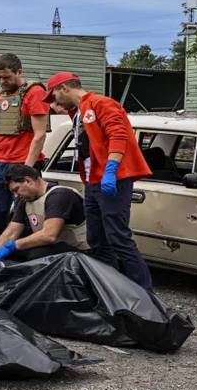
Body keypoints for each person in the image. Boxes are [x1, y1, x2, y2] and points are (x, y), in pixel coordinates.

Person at [43, 72, 154, 290]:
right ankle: (110, 289)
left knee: (118, 237)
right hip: (93, 182)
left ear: (65, 88)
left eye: (54, 94)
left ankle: (144, 292)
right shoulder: (78, 112)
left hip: (112, 181)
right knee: (96, 239)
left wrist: (111, 170)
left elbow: (119, 135)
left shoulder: (101, 103)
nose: (54, 101)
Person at [0, 53, 49, 248]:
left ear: (19, 72)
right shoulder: (1, 95)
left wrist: (27, 169)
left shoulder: (34, 93)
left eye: (7, 77)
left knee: (26, 214)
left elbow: (40, 135)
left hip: (22, 162)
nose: (2, 81)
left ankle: (23, 259)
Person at [0, 165, 88, 262]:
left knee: (36, 255)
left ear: (28, 181)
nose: (16, 195)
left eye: (16, 189)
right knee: (9, 254)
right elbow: (11, 233)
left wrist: (14, 245)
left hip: (80, 252)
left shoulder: (60, 195)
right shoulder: (25, 200)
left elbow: (49, 235)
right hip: (56, 247)